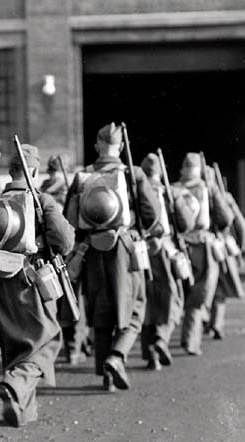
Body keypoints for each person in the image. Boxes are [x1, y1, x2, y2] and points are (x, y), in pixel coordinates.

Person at [0, 143, 74, 427]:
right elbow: (65, 242)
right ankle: (15, 383)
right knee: (46, 342)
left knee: (14, 345)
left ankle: (20, 410)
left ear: (11, 170)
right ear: (33, 169)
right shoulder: (42, 200)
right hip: (34, 282)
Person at [65, 123, 160, 391]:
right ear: (119, 147)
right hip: (125, 250)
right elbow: (151, 214)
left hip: (91, 251)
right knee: (135, 306)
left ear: (97, 146)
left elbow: (69, 218)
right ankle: (117, 357)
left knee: (100, 310)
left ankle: (106, 376)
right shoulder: (134, 174)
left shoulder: (82, 176)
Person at [172, 154, 233, 356]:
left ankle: (160, 340)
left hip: (177, 245)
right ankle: (190, 340)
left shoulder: (173, 188)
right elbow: (225, 218)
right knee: (200, 293)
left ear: (183, 169)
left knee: (179, 291)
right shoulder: (207, 187)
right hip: (202, 245)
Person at [139, 153, 194, 371]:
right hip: (166, 251)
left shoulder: (135, 190)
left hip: (141, 252)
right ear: (160, 172)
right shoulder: (169, 192)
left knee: (145, 302)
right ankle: (162, 338)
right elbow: (187, 223)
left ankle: (150, 355)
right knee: (174, 298)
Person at [209, 185, 245, 340]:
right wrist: (242, 245)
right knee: (220, 287)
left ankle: (205, 320)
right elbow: (240, 223)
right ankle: (216, 323)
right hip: (222, 247)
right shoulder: (226, 198)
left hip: (197, 245)